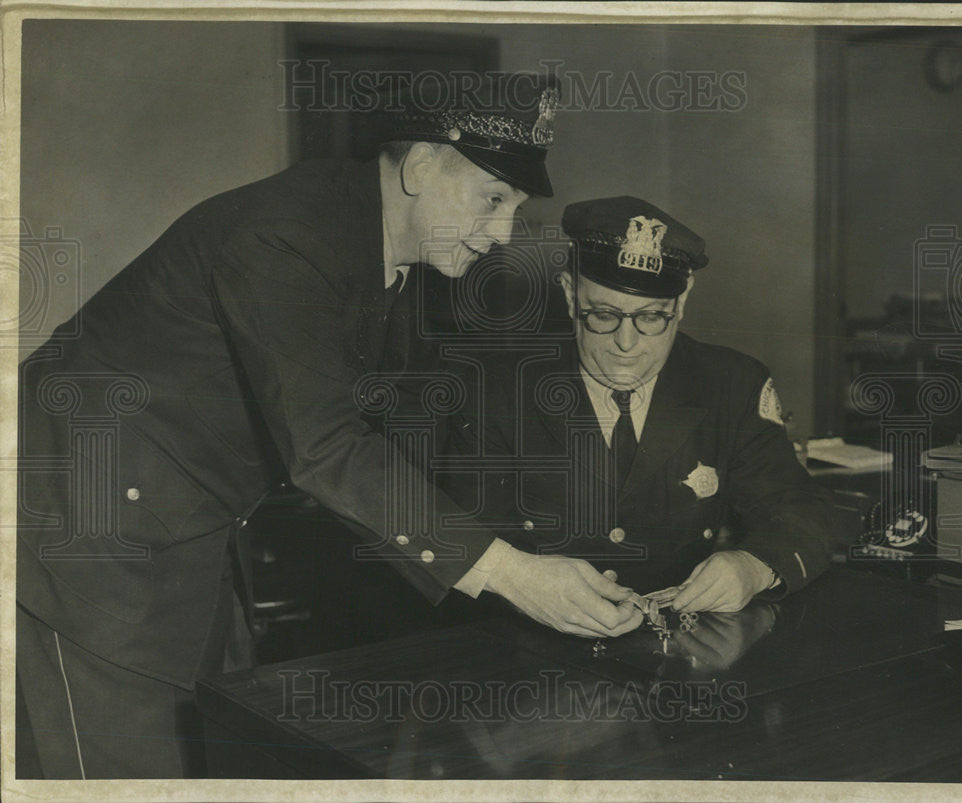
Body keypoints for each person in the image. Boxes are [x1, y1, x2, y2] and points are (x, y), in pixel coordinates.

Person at [15, 73, 640, 779]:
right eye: (493, 200)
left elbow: (397, 435)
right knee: (125, 770)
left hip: (181, 529)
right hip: (91, 538)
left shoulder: (382, 256)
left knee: (216, 742)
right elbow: (329, 446)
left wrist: (538, 543)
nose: (500, 235)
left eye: (514, 207)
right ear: (420, 165)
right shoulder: (288, 235)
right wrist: (512, 573)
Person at [442, 196, 837, 619]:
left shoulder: (732, 385)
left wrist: (754, 567)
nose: (626, 345)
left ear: (682, 301)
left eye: (651, 318)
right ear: (572, 294)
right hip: (532, 646)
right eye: (604, 315)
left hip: (687, 650)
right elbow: (461, 541)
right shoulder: (498, 391)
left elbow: (800, 511)